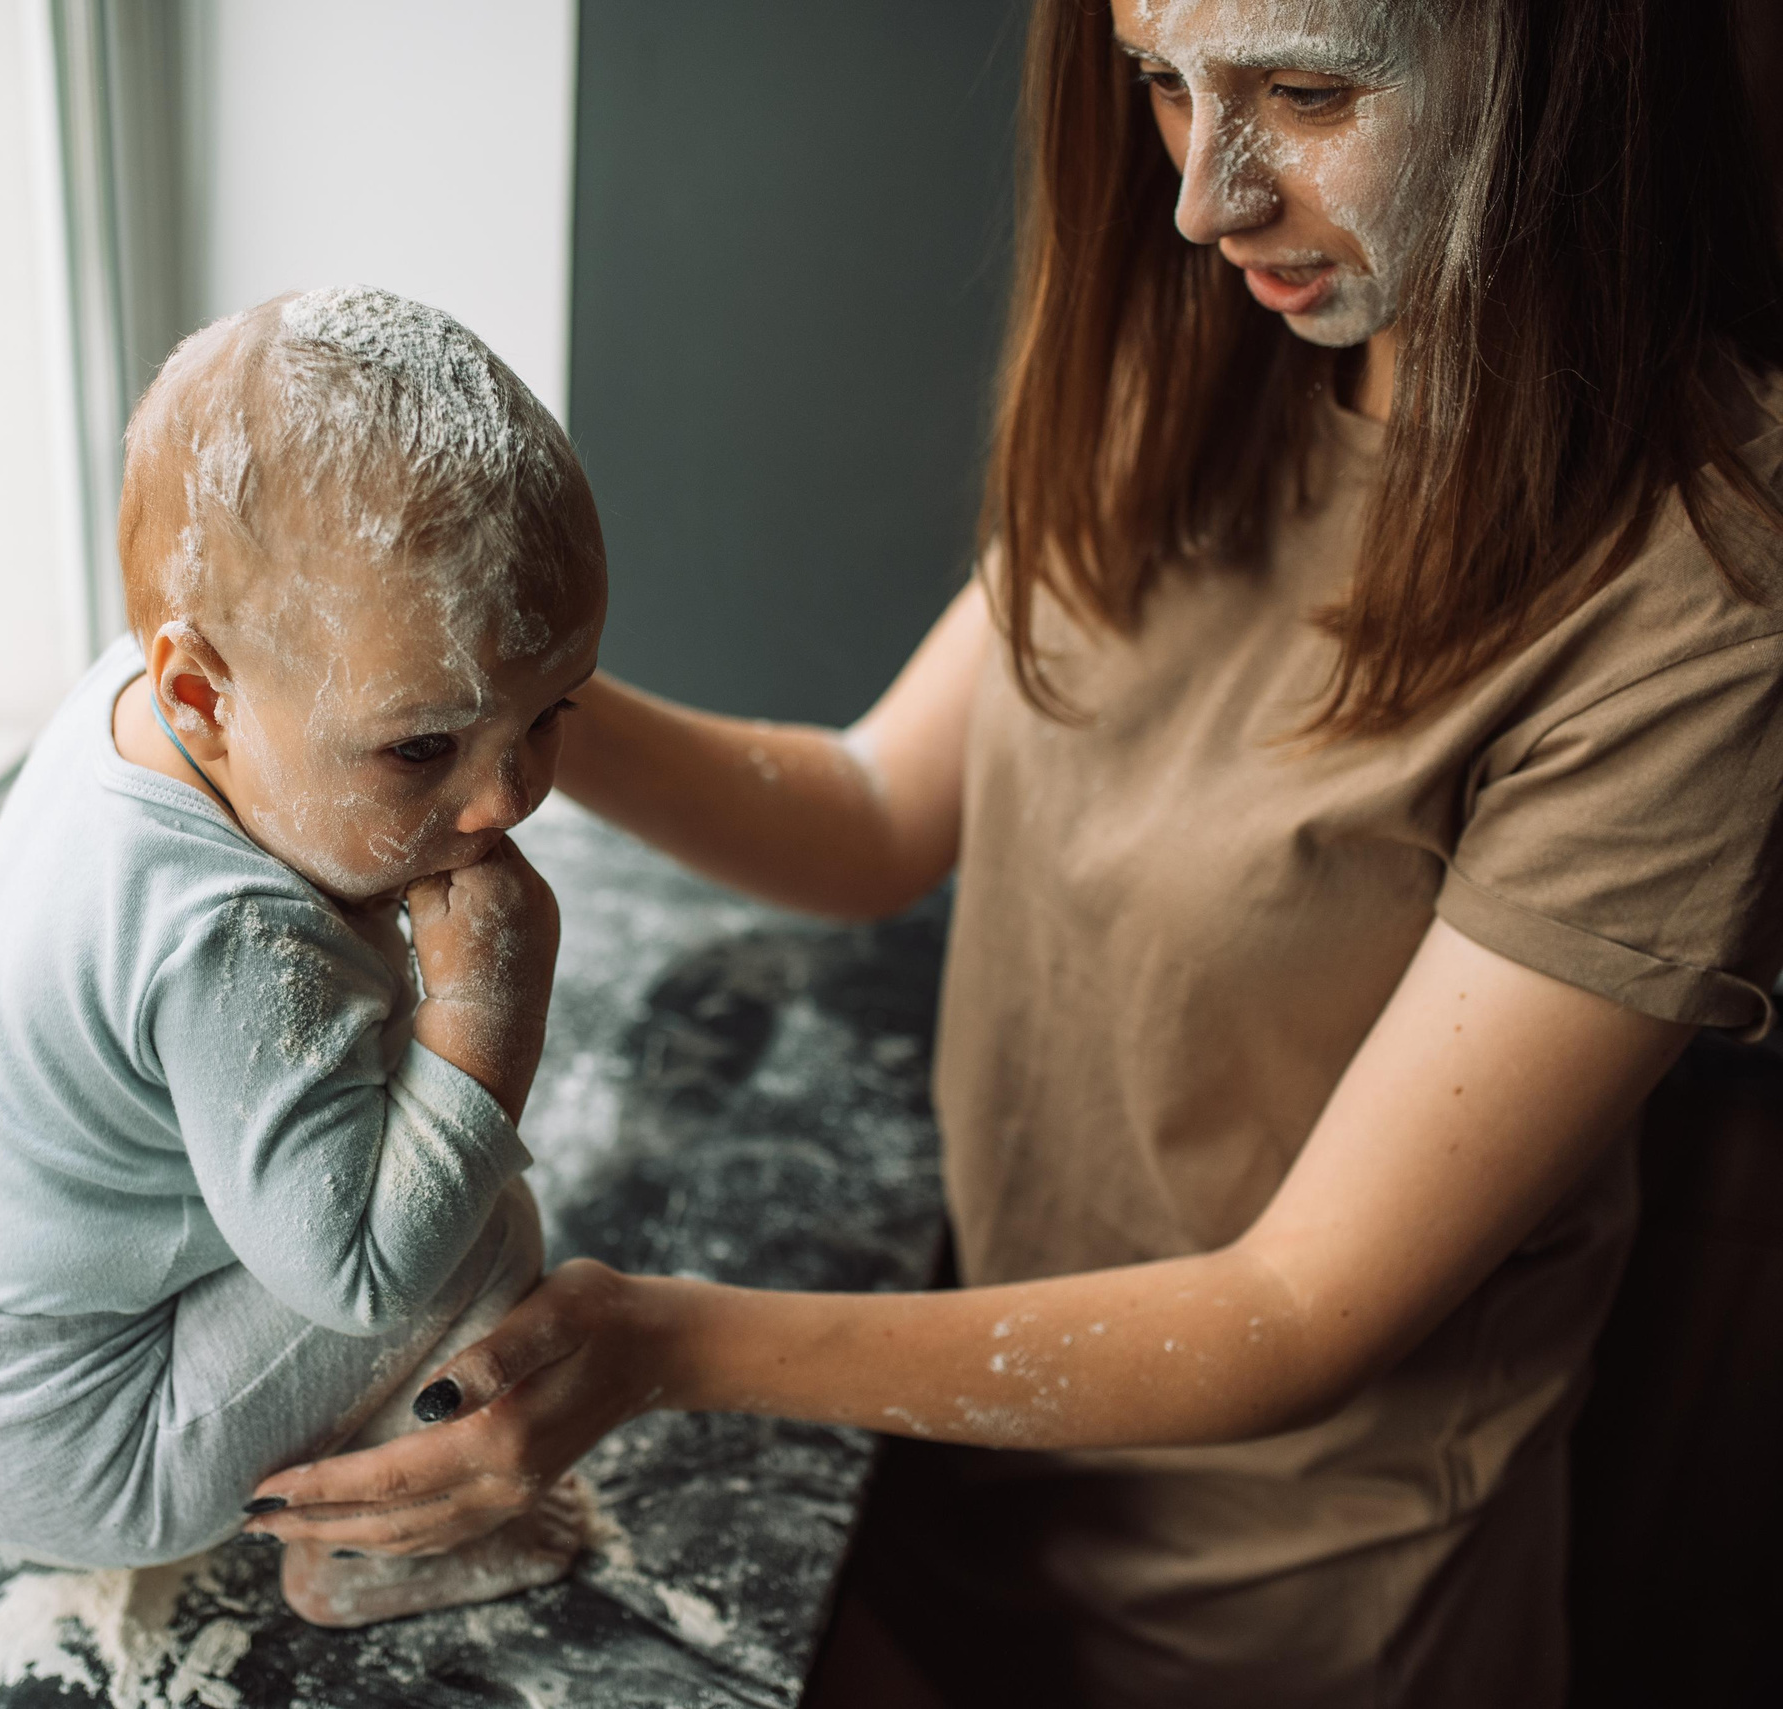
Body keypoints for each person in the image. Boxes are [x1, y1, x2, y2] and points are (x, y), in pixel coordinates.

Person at [225, 0, 1783, 1703]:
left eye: (1313, 90)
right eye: (1162, 87)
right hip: (942, 1463)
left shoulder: (1701, 594)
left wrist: (666, 1340)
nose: (1208, 197)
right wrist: (462, 703)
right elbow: (877, 816)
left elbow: (1297, 1308)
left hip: (1284, 1620)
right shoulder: (1202, 365)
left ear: (1570, 62)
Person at [0, 285, 606, 1628]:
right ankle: (363, 1548)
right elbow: (360, 1273)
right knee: (477, 1232)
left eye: (550, 713)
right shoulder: (233, 934)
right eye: (424, 746)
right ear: (202, 695)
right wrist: (483, 1014)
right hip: (75, 1454)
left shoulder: (141, 701)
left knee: (99, 1178)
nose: (506, 797)